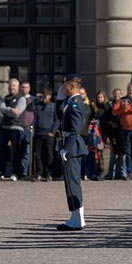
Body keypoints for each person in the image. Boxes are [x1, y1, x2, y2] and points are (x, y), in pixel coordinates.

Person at [55, 74, 89, 231]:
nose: (62, 88)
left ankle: (77, 219)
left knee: (72, 182)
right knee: (71, 182)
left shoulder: (75, 103)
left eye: (65, 86)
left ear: (72, 86)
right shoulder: (71, 102)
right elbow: (60, 117)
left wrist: (66, 148)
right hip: (70, 144)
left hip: (72, 146)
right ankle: (76, 217)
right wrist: (59, 100)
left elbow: (74, 129)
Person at [0, 78, 26, 181]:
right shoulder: (6, 98)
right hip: (4, 128)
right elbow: (1, 108)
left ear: (18, 87)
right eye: (10, 86)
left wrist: (9, 111)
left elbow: (18, 112)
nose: (11, 88)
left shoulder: (22, 98)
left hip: (16, 128)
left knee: (16, 151)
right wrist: (11, 110)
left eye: (14, 86)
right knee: (1, 151)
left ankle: (15, 173)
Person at [34, 87, 59, 182]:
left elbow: (57, 120)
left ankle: (48, 173)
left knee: (49, 154)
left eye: (46, 95)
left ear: (50, 96)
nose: (45, 97)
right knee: (38, 155)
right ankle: (39, 173)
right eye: (43, 95)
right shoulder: (38, 105)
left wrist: (53, 132)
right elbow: (31, 110)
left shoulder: (53, 106)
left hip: (49, 134)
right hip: (39, 133)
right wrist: (37, 99)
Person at [104, 88, 124, 180]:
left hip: (122, 132)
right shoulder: (110, 105)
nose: (116, 96)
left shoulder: (123, 104)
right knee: (113, 154)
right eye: (115, 94)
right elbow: (108, 118)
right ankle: (111, 174)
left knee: (122, 154)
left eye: (118, 94)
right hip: (113, 133)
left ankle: (120, 173)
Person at [19, 81, 36, 179]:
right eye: (23, 87)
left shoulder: (33, 100)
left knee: (27, 151)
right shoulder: (18, 99)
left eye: (26, 87)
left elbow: (36, 115)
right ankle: (18, 171)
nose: (24, 89)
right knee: (18, 150)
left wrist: (32, 125)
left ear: (29, 88)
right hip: (18, 128)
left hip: (29, 129)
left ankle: (25, 172)